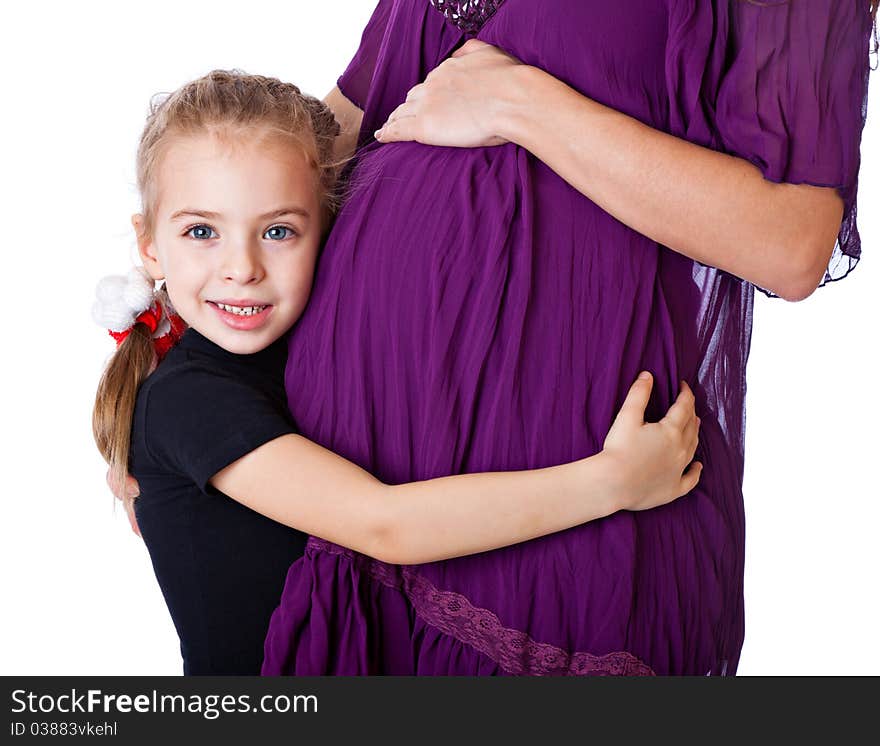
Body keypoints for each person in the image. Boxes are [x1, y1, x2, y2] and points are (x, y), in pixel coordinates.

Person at [259, 0, 877, 675]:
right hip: (349, 514)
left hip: (570, 542)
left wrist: (521, 104)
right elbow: (340, 129)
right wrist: (174, 362)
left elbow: (790, 242)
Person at [92, 70, 702, 675]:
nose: (242, 267)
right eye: (202, 232)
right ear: (149, 247)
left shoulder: (314, 349)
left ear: (328, 232)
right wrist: (610, 483)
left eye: (278, 231)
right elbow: (383, 524)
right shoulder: (187, 400)